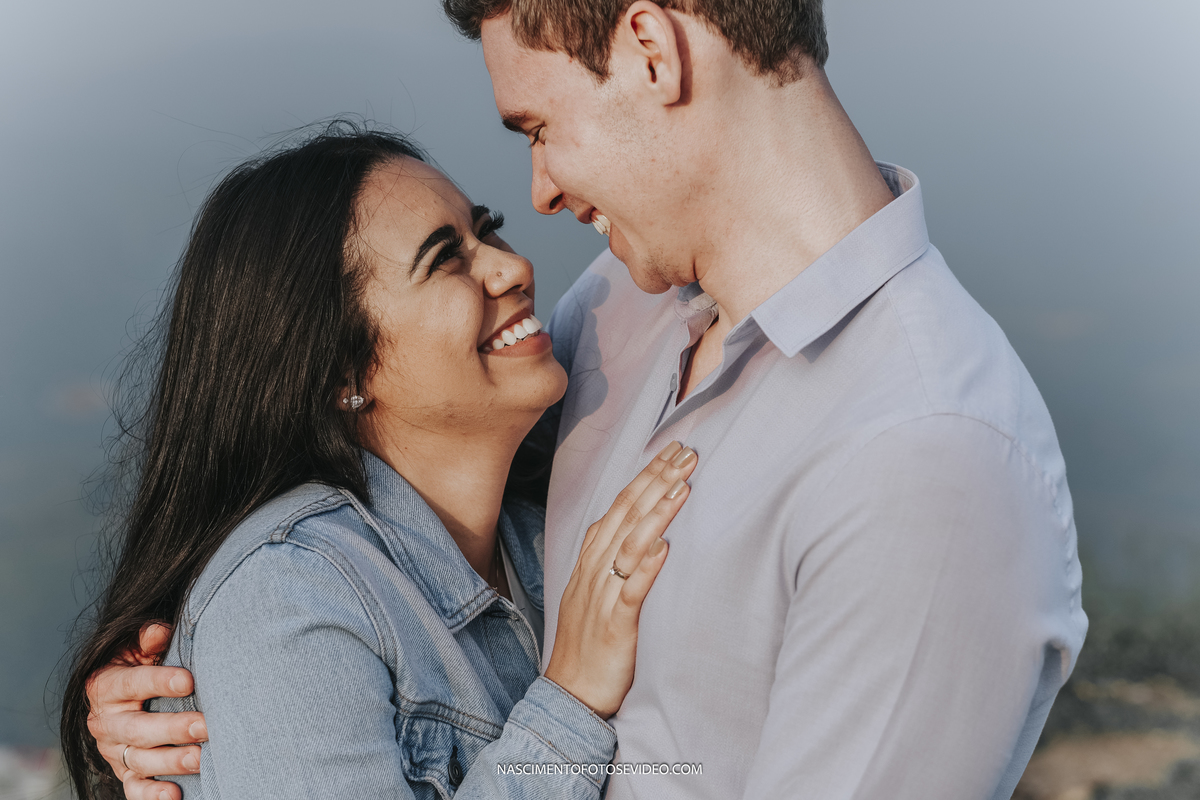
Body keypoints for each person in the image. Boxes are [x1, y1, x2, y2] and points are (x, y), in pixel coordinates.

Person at [88, 1, 1090, 798]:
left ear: (653, 50)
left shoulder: (932, 451)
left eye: (539, 125)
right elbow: (389, 501)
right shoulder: (616, 315)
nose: (540, 198)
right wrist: (193, 691)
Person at [61, 125, 704, 800]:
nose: (511, 268)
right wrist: (568, 700)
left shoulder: (548, 526)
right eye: (444, 259)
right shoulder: (289, 595)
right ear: (342, 371)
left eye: (488, 232)